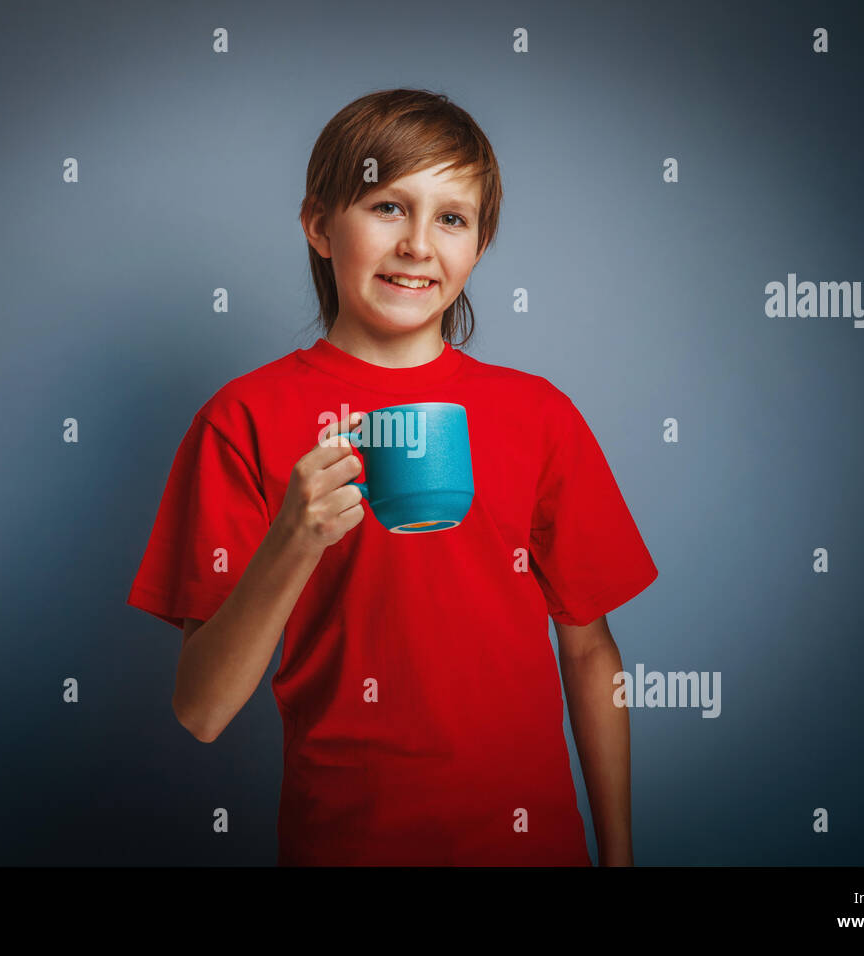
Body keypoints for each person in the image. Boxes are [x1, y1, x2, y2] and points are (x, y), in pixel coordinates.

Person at [127, 88, 658, 866]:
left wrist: (619, 859)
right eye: (386, 207)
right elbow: (202, 710)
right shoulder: (240, 419)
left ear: (479, 245)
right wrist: (294, 540)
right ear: (318, 225)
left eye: (451, 217)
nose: (418, 244)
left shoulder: (538, 415)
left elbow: (588, 653)